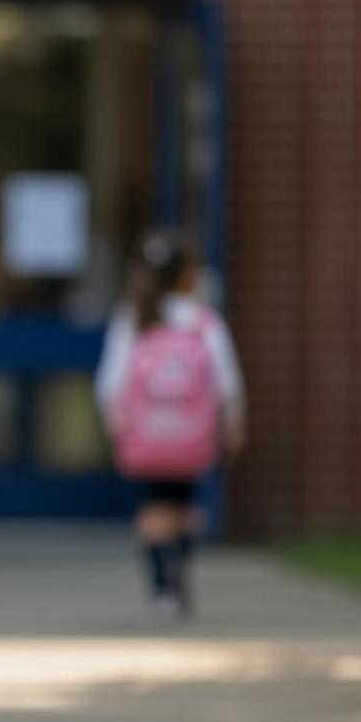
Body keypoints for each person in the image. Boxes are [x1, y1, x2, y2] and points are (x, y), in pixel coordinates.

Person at [95, 229, 245, 622]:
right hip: (192, 435)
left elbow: (112, 380)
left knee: (152, 506)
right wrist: (232, 423)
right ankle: (180, 577)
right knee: (186, 505)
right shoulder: (203, 321)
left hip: (147, 434)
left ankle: (161, 585)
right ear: (189, 274)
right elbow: (226, 380)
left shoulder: (134, 317)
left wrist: (116, 422)